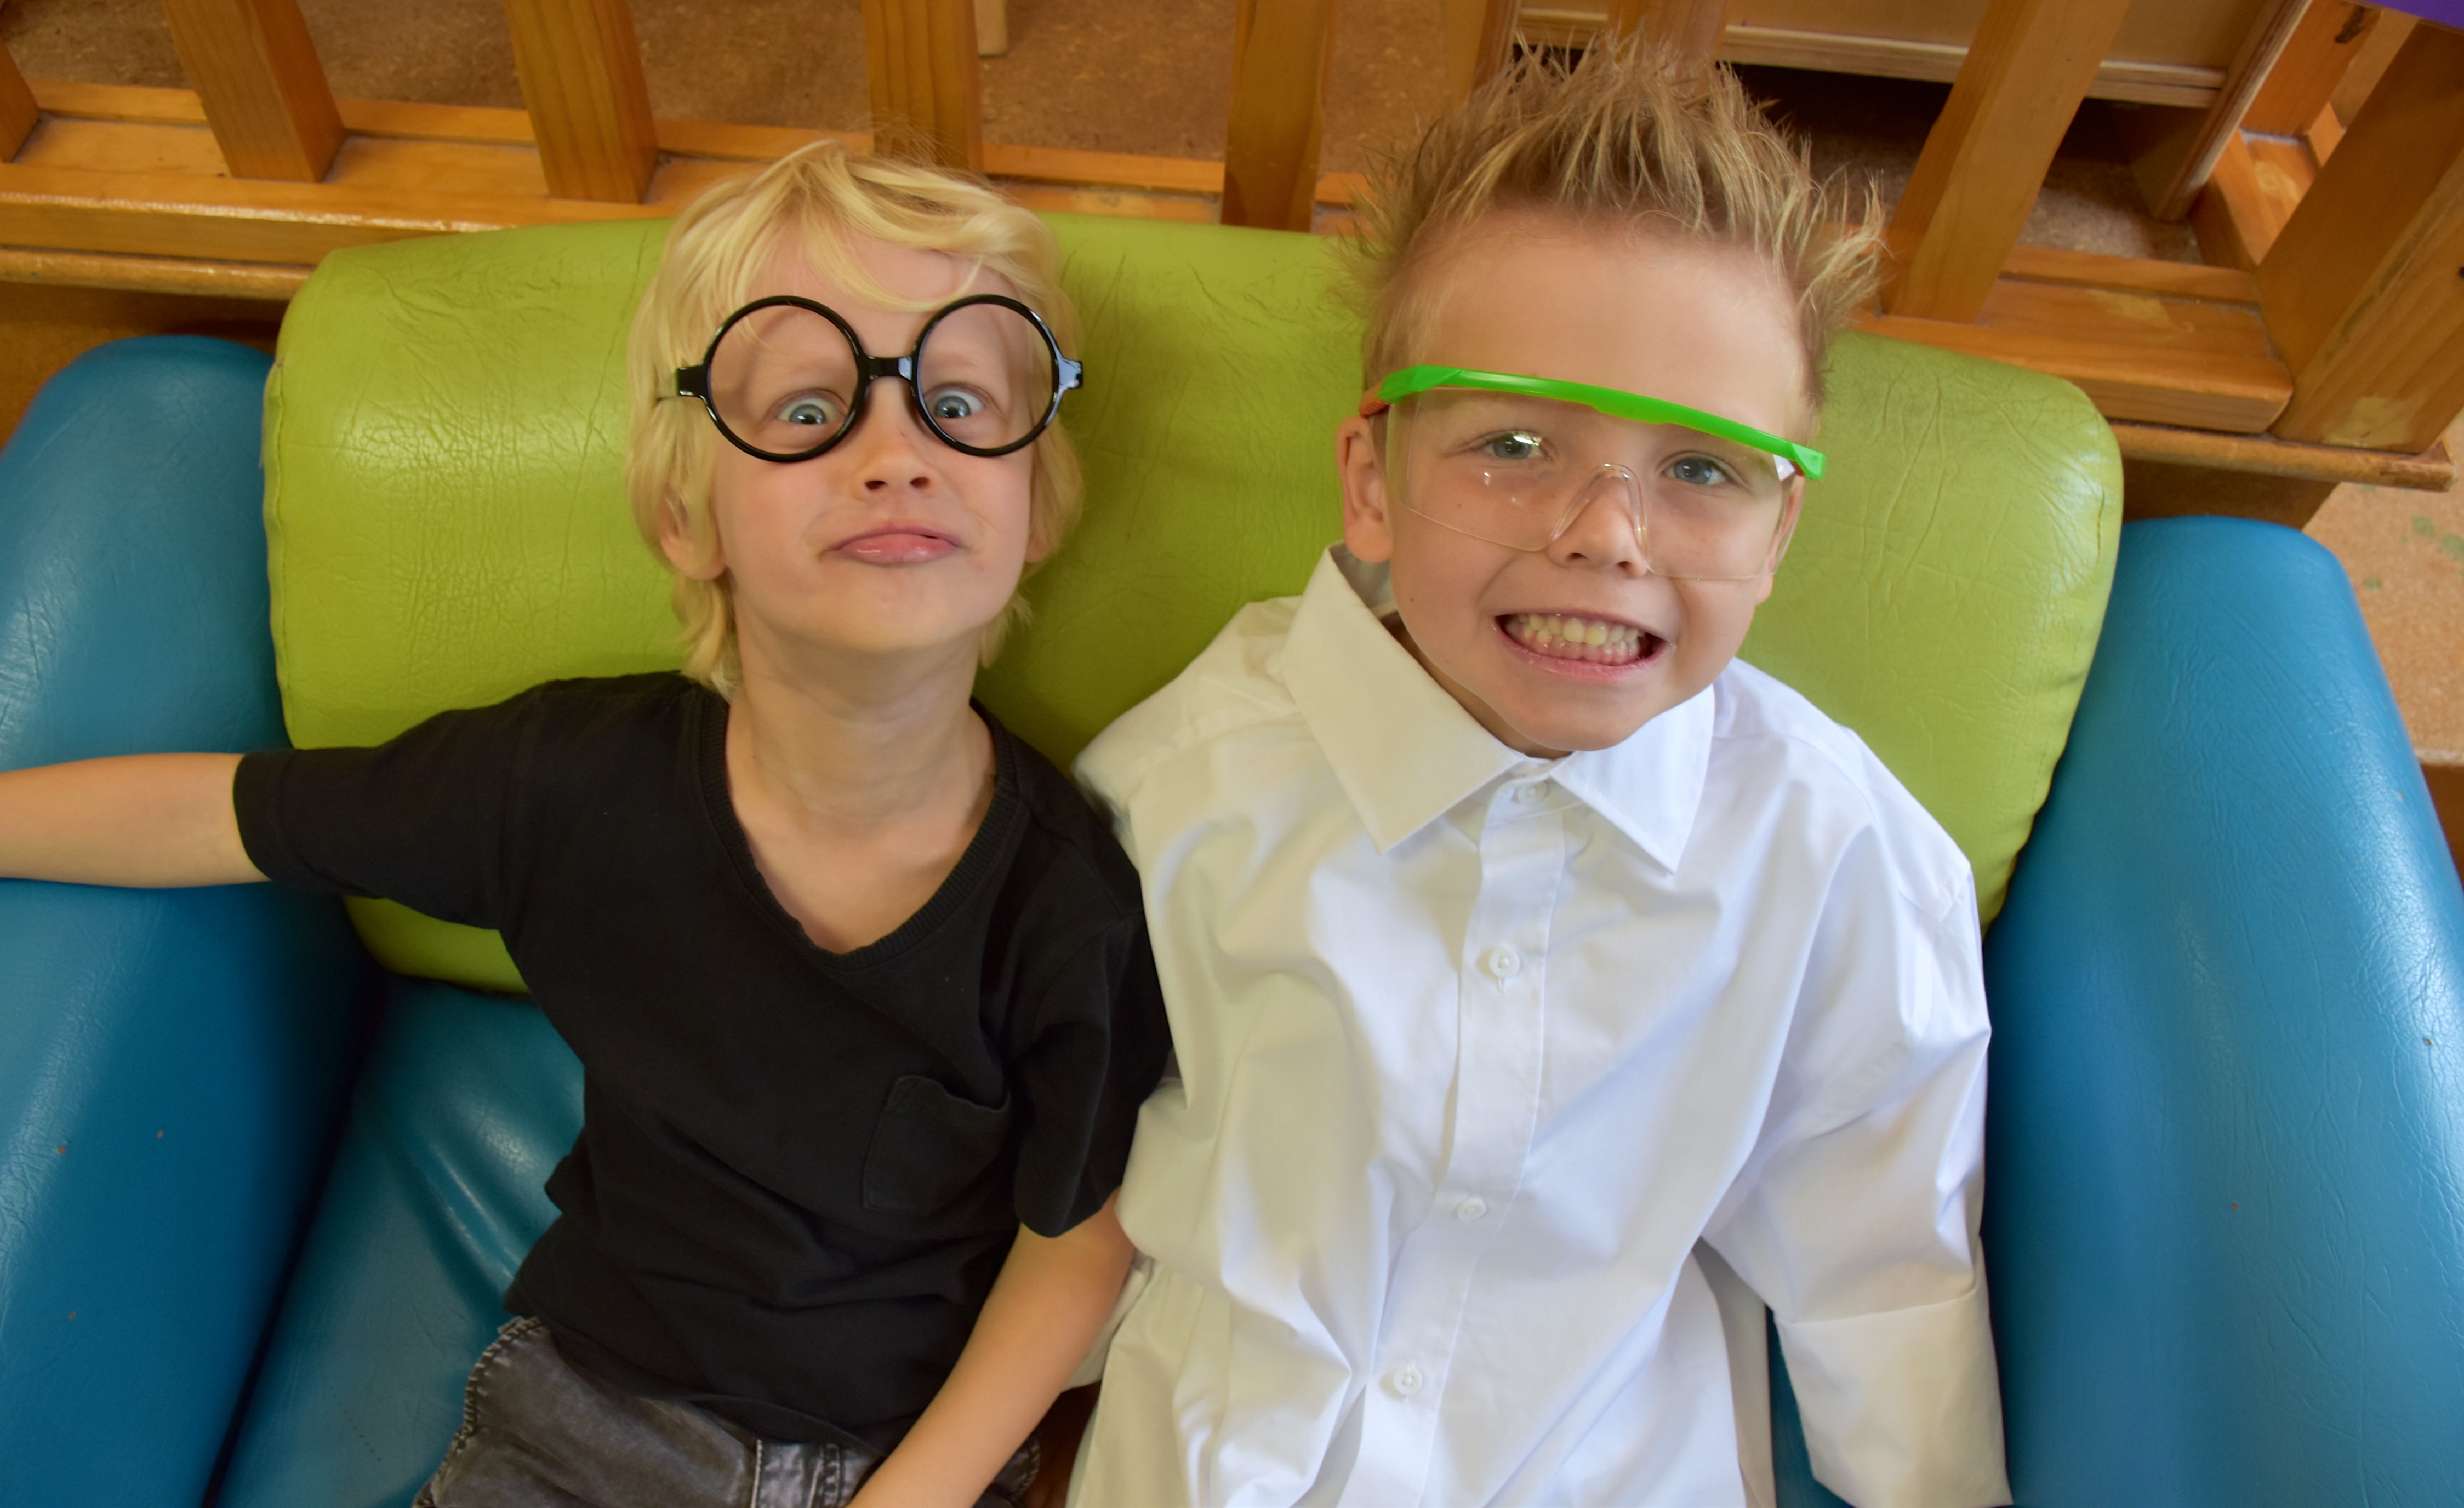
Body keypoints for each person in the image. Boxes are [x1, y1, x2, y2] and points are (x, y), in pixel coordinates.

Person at [0, 140, 1168, 1508]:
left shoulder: (1072, 905)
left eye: (956, 402)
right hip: (587, 1423)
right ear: (686, 517)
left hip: (902, 1457)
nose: (895, 452)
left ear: (1038, 504)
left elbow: (1078, 1233)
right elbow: (229, 814)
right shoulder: (564, 784)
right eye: (807, 410)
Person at [1069, 41, 2011, 1507]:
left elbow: (1885, 1279)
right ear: (1373, 482)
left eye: (1702, 470)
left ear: (1779, 535)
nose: (1605, 534)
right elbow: (1045, 1156)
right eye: (1513, 443)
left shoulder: (1838, 857)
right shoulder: (1185, 783)